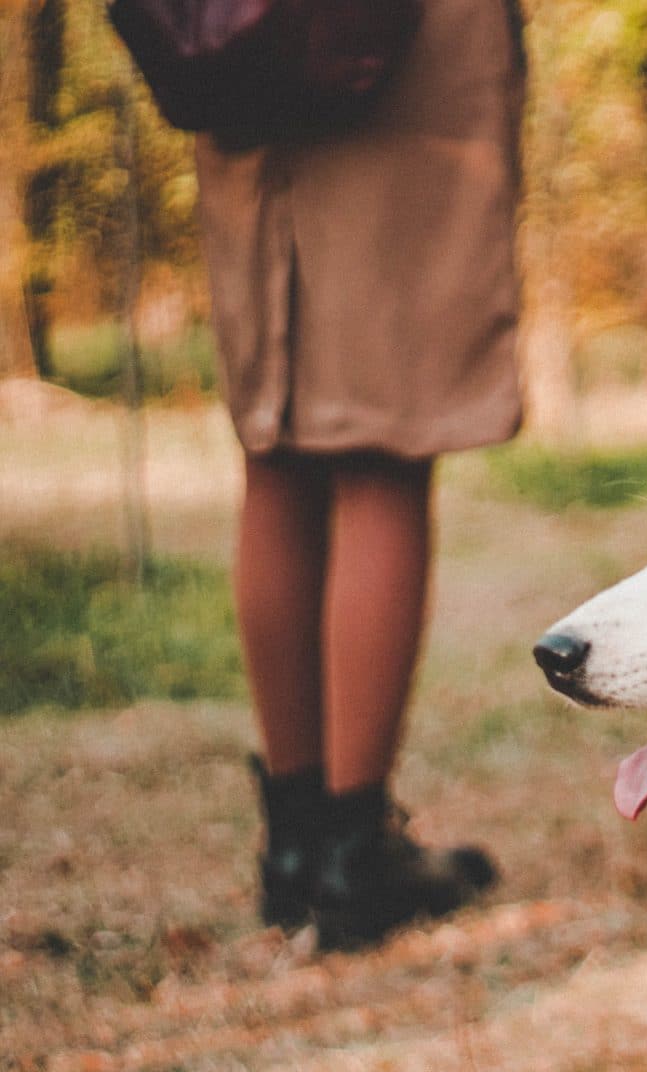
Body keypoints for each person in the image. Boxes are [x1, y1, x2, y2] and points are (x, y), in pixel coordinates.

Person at [193, 0, 522, 947]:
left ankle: (295, 845)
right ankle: (351, 851)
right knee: (384, 442)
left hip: (242, 35)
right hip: (407, 42)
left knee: (280, 439)